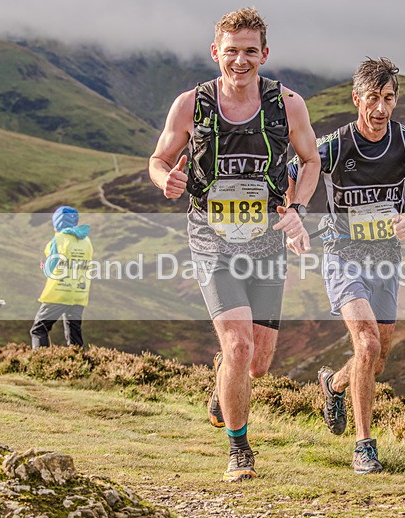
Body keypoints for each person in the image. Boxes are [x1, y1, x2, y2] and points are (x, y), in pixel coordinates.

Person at [149, 7, 320, 482]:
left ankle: (224, 384)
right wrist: (167, 178)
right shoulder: (191, 104)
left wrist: (296, 209)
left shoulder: (288, 104)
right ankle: (239, 450)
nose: (240, 61)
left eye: (249, 51)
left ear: (264, 54)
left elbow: (310, 162)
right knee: (240, 345)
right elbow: (158, 157)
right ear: (215, 53)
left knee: (258, 364)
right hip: (210, 237)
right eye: (231, 51)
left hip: (265, 240)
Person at [288, 57, 405, 474]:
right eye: (373, 98)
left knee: (378, 358)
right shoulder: (336, 144)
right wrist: (293, 214)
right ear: (357, 99)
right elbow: (298, 170)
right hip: (342, 255)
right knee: (366, 345)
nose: (381, 108)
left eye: (388, 99)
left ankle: (333, 384)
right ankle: (364, 446)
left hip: (386, 258)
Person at [30, 206, 93, 349]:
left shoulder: (58, 240)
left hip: (59, 292)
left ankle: (42, 363)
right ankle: (77, 364)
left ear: (57, 223)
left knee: (39, 329)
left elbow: (51, 269)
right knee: (74, 332)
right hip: (79, 293)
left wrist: (44, 267)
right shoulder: (86, 241)